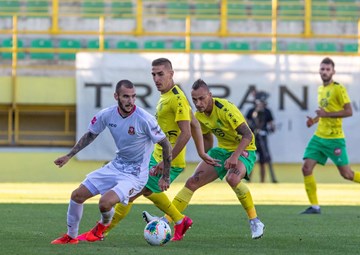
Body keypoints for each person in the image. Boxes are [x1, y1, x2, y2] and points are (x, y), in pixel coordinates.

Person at [105, 58, 217, 241]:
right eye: (153, 74)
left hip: (169, 160)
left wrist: (166, 162)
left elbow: (186, 133)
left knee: (129, 193)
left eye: (160, 74)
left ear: (171, 74)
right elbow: (195, 123)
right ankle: (180, 220)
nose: (156, 79)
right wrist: (201, 152)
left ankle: (101, 232)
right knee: (145, 191)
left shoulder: (177, 98)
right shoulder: (168, 96)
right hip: (156, 155)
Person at [51, 79, 172, 244]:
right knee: (77, 196)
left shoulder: (145, 119)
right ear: (116, 96)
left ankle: (101, 227)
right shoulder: (107, 114)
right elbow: (91, 134)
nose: (130, 101)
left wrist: (165, 176)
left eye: (133, 96)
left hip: (135, 174)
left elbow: (165, 144)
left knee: (105, 203)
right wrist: (69, 155)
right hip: (116, 165)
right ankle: (71, 237)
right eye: (125, 97)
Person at [145, 79, 265, 239]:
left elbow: (248, 135)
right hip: (221, 151)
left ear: (210, 95)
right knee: (192, 182)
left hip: (245, 150)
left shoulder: (225, 109)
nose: (198, 103)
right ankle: (166, 221)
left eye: (202, 98)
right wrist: (207, 156)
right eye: (194, 100)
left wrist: (236, 155)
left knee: (232, 178)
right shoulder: (199, 116)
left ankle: (255, 221)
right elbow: (206, 136)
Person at [300, 57, 360, 214]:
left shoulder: (338, 89)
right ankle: (315, 207)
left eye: (327, 69)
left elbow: (349, 111)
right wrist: (313, 121)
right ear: (319, 71)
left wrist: (326, 114)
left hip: (334, 139)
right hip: (319, 137)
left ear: (333, 71)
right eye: (322, 69)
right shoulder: (321, 89)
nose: (324, 72)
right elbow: (323, 113)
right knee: (306, 168)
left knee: (347, 174)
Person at [246, 91, 278, 183]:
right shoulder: (251, 111)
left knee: (263, 161)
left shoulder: (267, 111)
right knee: (251, 159)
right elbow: (245, 123)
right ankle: (249, 180)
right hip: (252, 139)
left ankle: (262, 182)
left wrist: (271, 128)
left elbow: (272, 125)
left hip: (263, 138)